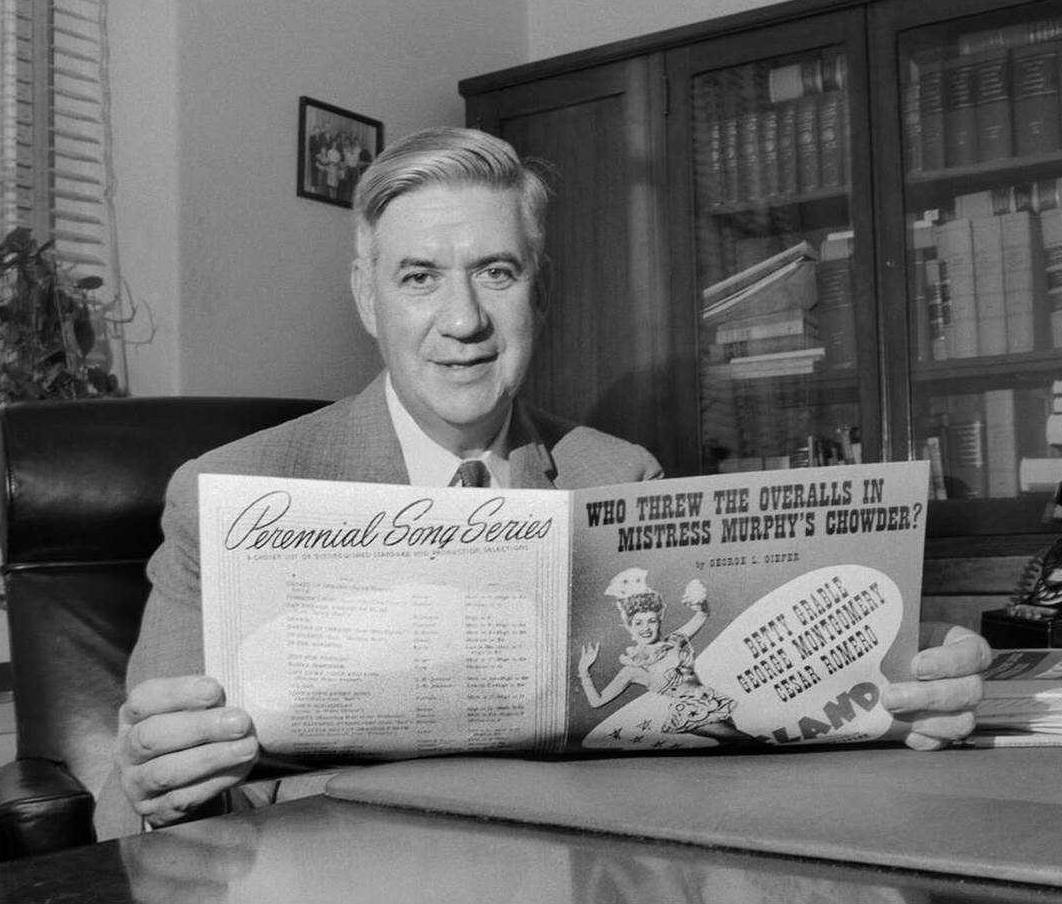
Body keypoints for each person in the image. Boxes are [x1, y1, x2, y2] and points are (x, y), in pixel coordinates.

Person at [99, 126, 991, 837]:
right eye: (419, 278)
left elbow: (717, 725)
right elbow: (119, 812)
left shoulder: (617, 476)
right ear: (369, 300)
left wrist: (902, 686)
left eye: (497, 272)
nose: (463, 320)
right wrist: (155, 781)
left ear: (540, 294)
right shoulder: (230, 492)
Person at [579, 569, 757, 746]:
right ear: (630, 627)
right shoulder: (632, 669)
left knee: (733, 749)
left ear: (659, 621)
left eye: (651, 621)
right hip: (688, 712)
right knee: (748, 743)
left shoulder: (675, 641)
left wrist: (700, 603)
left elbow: (702, 615)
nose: (646, 628)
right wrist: (584, 672)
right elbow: (597, 702)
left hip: (710, 700)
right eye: (638, 623)